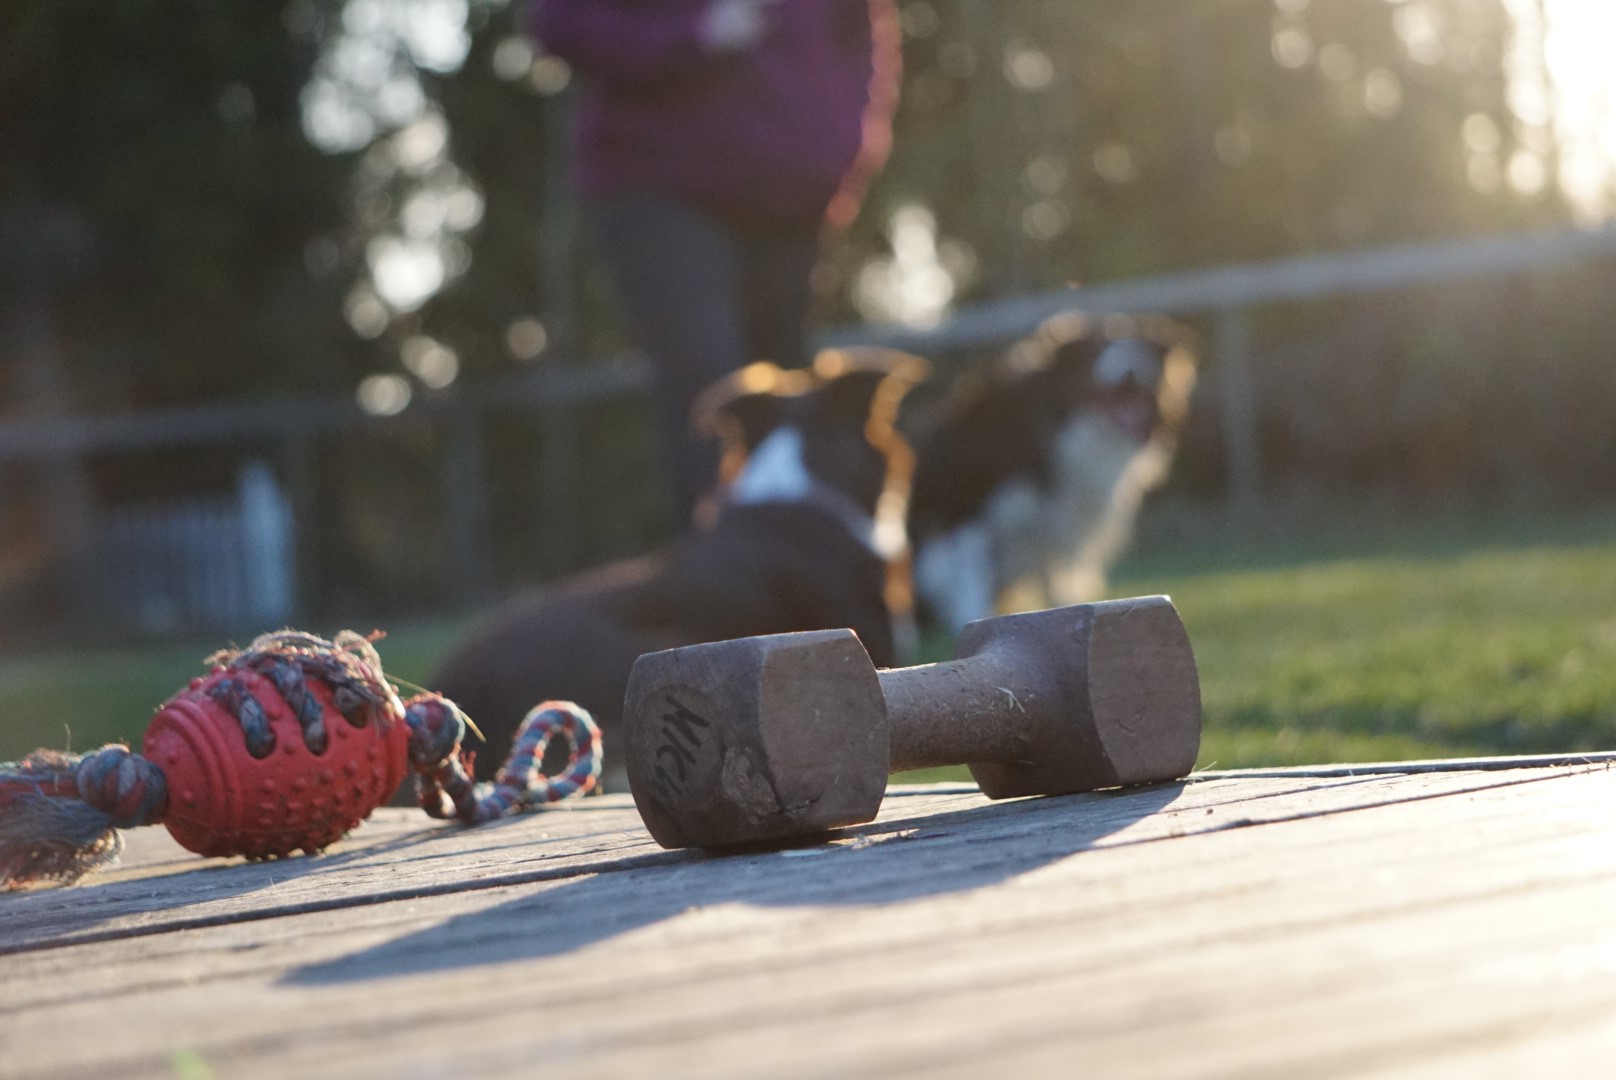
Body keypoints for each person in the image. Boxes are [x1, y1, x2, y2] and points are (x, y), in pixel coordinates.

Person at [529, 0, 902, 523]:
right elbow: (562, 22)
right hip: (657, 181)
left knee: (786, 387)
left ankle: (798, 573)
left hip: (789, 191)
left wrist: (842, 142)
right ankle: (718, 582)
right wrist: (693, 34)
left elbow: (859, 32)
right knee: (708, 388)